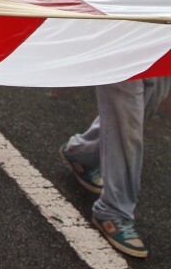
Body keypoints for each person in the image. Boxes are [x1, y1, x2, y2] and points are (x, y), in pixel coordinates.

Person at [60, 77, 171, 257]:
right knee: (128, 123)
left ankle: (82, 152)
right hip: (127, 50)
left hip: (161, 52)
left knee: (142, 106)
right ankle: (114, 209)